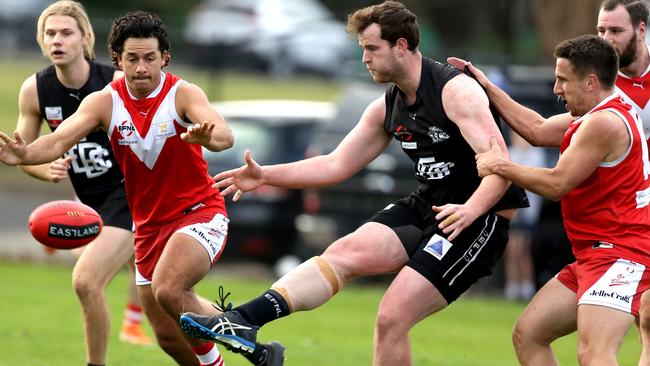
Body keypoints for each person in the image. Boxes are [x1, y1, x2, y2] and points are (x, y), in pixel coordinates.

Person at [179, 2, 528, 365]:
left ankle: (242, 320)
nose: (364, 59)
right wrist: (266, 174)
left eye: (372, 48)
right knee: (342, 254)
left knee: (391, 318)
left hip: (478, 216)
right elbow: (335, 164)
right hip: (429, 205)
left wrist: (470, 209)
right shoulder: (386, 106)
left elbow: (501, 166)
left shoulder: (456, 93)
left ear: (402, 46)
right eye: (363, 49)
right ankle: (243, 321)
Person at [0, 10, 283, 366]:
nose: (141, 68)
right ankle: (246, 343)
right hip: (147, 226)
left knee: (169, 289)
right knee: (166, 334)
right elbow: (56, 142)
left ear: (165, 57)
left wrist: (208, 138)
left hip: (197, 214)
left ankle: (236, 338)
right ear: (117, 59)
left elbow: (224, 135)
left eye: (150, 58)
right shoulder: (103, 101)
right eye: (132, 59)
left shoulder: (183, 93)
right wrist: (24, 152)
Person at [449, 34, 650, 365]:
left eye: (562, 80)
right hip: (594, 254)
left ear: (590, 82)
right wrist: (486, 87)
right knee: (528, 334)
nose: (556, 89)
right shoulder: (597, 111)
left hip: (621, 253)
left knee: (594, 353)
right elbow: (537, 128)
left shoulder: (604, 123)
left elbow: (557, 184)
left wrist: (500, 165)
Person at [17, 2, 152, 365]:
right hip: (91, 204)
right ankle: (236, 328)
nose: (56, 40)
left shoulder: (115, 83)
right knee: (165, 300)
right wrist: (45, 171)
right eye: (50, 33)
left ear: (85, 38)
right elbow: (26, 154)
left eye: (66, 32)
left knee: (86, 281)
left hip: (131, 196)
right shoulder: (36, 90)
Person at [597, 2, 650, 362]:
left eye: (614, 31)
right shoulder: (597, 84)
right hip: (622, 223)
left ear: (642, 30)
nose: (605, 40)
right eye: (601, 31)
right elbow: (545, 132)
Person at [503, 130, 545, 302]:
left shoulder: (536, 154)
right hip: (512, 209)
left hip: (529, 211)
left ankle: (526, 287)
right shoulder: (510, 153)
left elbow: (528, 177)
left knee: (523, 249)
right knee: (512, 250)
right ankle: (512, 287)